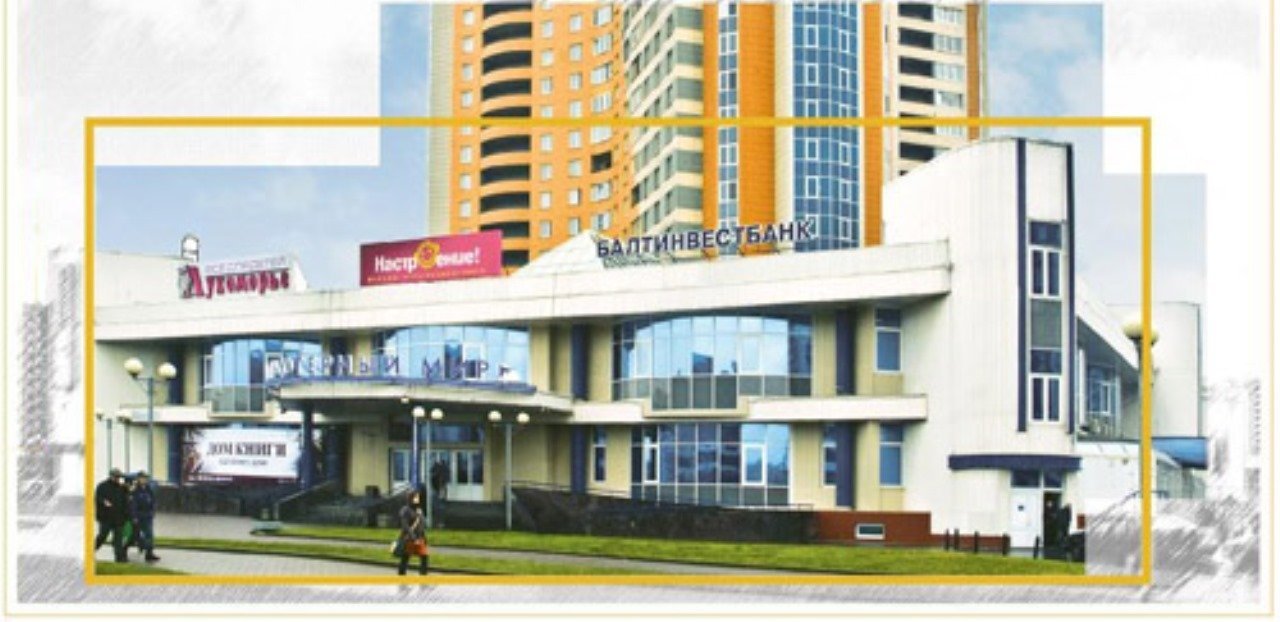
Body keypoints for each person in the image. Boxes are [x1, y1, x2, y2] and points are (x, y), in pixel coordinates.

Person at [93, 468, 128, 562]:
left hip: (118, 517)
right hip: (106, 517)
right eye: (116, 477)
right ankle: (91, 549)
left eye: (119, 477)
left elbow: (125, 501)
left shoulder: (121, 488)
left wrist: (125, 515)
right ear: (111, 476)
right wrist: (104, 502)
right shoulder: (102, 486)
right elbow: (97, 498)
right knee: (102, 536)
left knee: (118, 539)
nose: (118, 479)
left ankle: (119, 558)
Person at [396, 490, 429, 576]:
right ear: (410, 498)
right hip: (409, 539)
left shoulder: (419, 510)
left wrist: (424, 536)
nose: (417, 499)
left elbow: (421, 524)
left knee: (424, 556)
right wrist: (413, 537)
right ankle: (401, 575)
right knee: (405, 558)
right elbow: (405, 526)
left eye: (417, 497)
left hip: (420, 538)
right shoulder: (405, 510)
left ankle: (423, 576)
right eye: (415, 497)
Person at [129, 471, 160, 562]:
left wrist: (153, 511)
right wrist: (134, 516)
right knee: (135, 536)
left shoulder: (149, 489)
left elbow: (153, 501)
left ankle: (149, 553)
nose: (144, 480)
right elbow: (133, 505)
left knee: (149, 534)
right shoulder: (135, 490)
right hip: (139, 516)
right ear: (138, 479)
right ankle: (124, 548)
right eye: (142, 478)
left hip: (148, 516)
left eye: (145, 478)